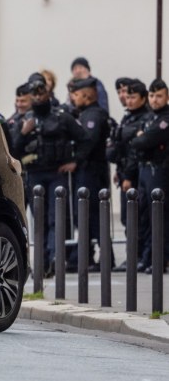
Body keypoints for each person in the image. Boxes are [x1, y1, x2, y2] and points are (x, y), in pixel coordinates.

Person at [13, 73, 90, 276]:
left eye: (42, 92)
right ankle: (42, 262)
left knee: (56, 219)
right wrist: (23, 132)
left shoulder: (62, 116)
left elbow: (85, 139)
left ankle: (55, 258)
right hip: (35, 175)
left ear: (48, 93)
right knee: (40, 221)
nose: (38, 97)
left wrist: (75, 162)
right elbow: (13, 149)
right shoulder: (24, 120)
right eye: (34, 93)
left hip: (56, 173)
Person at [67, 77, 113, 270]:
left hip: (91, 172)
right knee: (85, 215)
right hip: (89, 171)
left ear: (86, 95)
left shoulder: (93, 115)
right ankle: (84, 257)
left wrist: (74, 161)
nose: (72, 99)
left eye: (75, 95)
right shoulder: (86, 113)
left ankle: (103, 258)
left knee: (91, 215)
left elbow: (89, 141)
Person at [129, 79, 169, 274]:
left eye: (159, 95)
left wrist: (141, 137)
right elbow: (135, 141)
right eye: (152, 96)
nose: (154, 99)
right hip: (144, 170)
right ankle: (147, 257)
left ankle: (159, 259)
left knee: (158, 218)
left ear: (166, 97)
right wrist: (140, 137)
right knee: (144, 217)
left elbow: (145, 139)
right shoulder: (148, 118)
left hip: (159, 170)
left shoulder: (165, 118)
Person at [108, 79, 149, 269]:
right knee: (128, 219)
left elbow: (135, 152)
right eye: (126, 95)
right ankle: (134, 257)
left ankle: (141, 257)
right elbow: (121, 147)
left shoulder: (144, 118)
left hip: (135, 176)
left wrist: (128, 176)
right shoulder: (128, 117)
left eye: (132, 96)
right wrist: (119, 171)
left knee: (138, 218)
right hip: (125, 172)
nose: (127, 99)